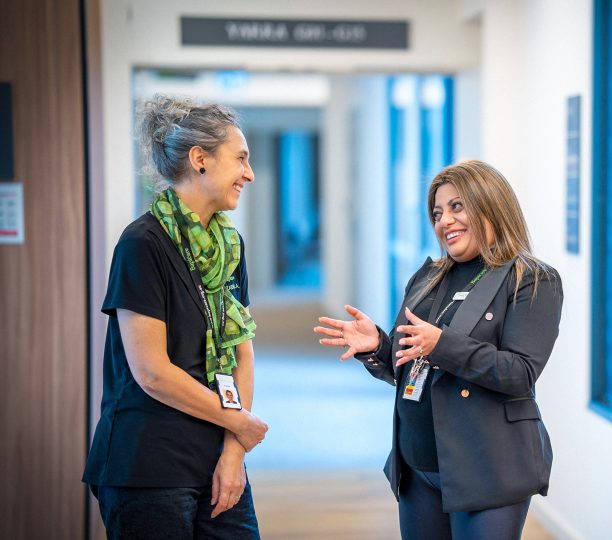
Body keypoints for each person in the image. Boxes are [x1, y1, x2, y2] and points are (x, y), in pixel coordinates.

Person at [315, 160, 563, 540]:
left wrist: (442, 345)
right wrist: (378, 346)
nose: (445, 220)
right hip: (418, 468)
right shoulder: (428, 277)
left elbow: (519, 373)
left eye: (457, 207)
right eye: (437, 212)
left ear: (491, 204)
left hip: (487, 471)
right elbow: (409, 368)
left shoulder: (529, 279)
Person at [83, 95, 267, 539]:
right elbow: (153, 374)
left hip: (217, 454)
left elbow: (242, 352)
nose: (250, 173)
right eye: (240, 159)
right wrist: (238, 423)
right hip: (148, 463)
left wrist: (233, 450)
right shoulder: (142, 244)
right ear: (200, 160)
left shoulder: (229, 245)